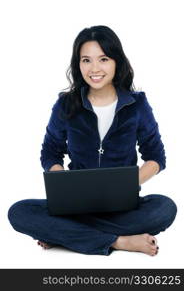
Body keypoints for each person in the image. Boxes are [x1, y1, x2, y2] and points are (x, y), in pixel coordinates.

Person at [8, 25, 177, 256]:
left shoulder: (137, 105)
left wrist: (128, 184)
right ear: (78, 65)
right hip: (74, 208)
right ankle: (119, 242)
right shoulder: (66, 105)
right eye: (86, 60)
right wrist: (65, 187)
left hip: (123, 209)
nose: (94, 68)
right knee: (18, 212)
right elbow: (50, 152)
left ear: (116, 61)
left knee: (165, 208)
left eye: (103, 59)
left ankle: (65, 235)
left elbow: (156, 156)